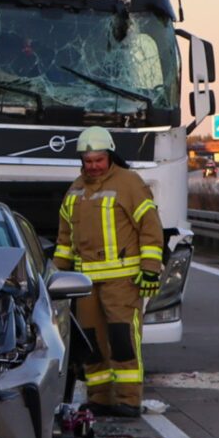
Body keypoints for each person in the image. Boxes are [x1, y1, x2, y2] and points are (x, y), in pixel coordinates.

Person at [53, 127, 164, 418]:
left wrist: (150, 269)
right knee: (92, 343)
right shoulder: (76, 189)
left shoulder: (129, 183)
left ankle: (128, 400)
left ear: (110, 156)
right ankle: (99, 398)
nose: (93, 166)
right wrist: (58, 275)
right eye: (88, 161)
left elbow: (150, 227)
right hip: (86, 283)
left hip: (122, 281)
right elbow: (65, 237)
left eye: (99, 160)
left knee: (123, 339)